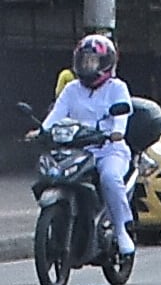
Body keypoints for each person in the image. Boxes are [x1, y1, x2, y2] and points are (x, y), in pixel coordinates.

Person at [44, 31, 135, 261]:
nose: (87, 66)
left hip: (109, 149)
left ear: (105, 64)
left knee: (110, 177)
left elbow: (122, 115)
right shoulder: (71, 89)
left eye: (92, 61)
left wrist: (116, 132)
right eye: (84, 61)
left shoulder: (117, 88)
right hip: (78, 150)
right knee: (55, 175)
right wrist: (42, 131)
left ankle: (121, 230)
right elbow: (56, 115)